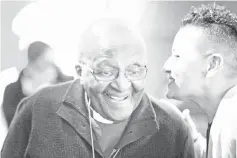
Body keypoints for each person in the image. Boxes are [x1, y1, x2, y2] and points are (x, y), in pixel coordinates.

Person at [1, 19, 195, 158]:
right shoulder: (37, 109)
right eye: (105, 71)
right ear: (79, 72)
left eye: (134, 70)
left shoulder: (172, 127)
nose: (122, 85)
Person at [163, 3, 237, 158]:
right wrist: (193, 140)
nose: (166, 66)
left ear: (212, 64)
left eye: (177, 56)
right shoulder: (225, 116)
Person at [1, 41, 73, 127]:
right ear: (30, 66)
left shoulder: (67, 85)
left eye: (52, 63)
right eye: (45, 64)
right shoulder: (12, 91)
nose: (50, 69)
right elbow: (14, 128)